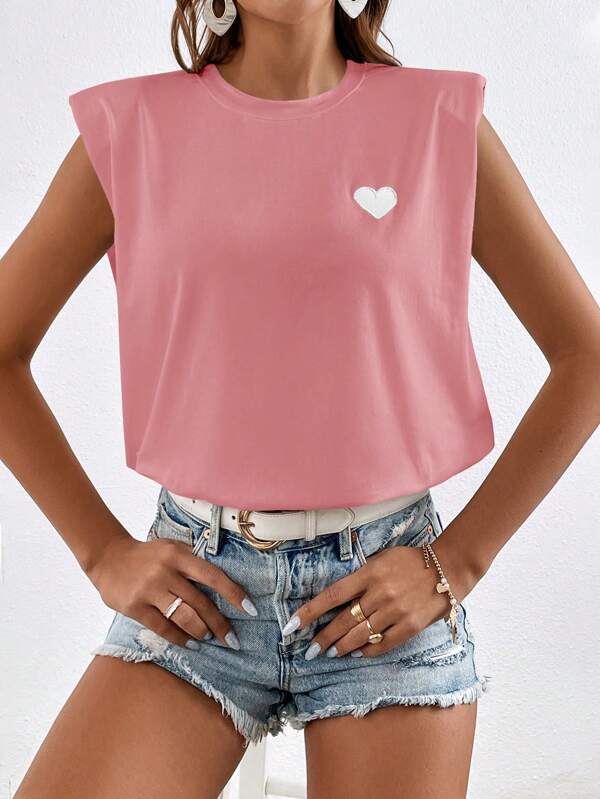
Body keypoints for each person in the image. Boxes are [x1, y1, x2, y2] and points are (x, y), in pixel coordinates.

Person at [2, 1, 600, 798]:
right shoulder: (129, 130)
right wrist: (100, 551)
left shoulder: (439, 123)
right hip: (201, 590)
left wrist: (454, 563)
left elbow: (587, 356)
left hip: (384, 592)